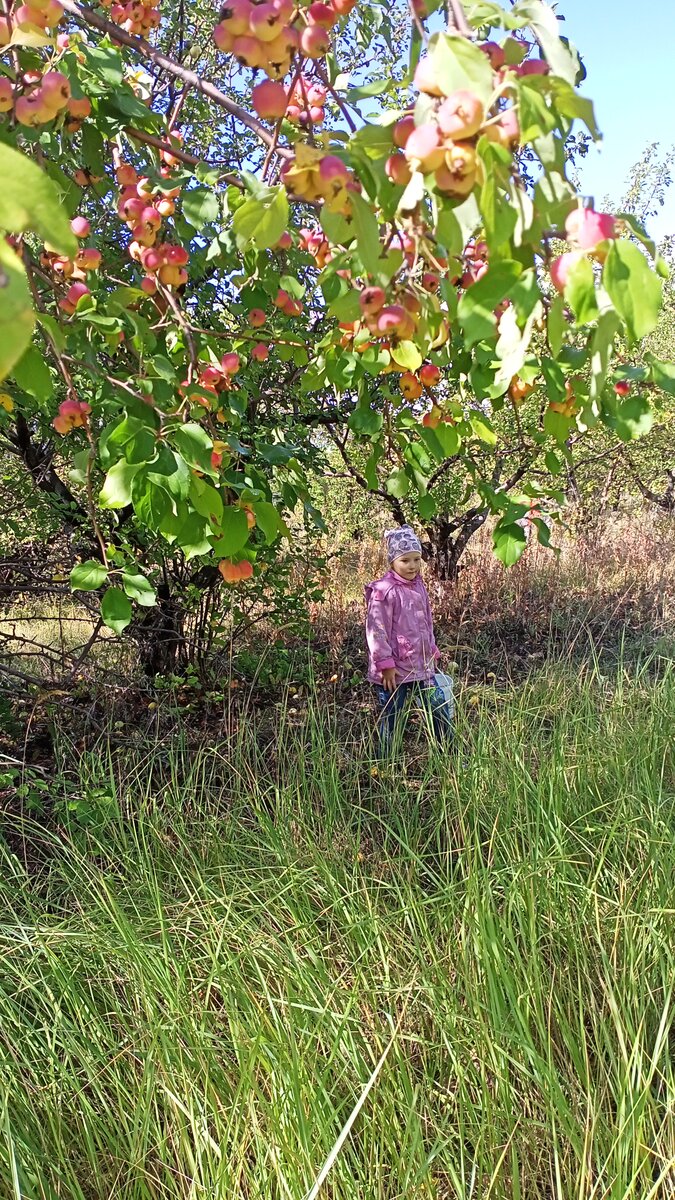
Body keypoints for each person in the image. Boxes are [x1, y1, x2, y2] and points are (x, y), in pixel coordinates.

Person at [365, 526, 453, 756]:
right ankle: (386, 761)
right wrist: (385, 665)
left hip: (422, 666)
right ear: (392, 561)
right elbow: (376, 630)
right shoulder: (384, 591)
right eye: (405, 560)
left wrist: (430, 648)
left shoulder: (418, 585)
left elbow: (425, 621)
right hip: (394, 672)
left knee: (438, 707)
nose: (412, 566)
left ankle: (449, 753)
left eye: (416, 559)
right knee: (392, 716)